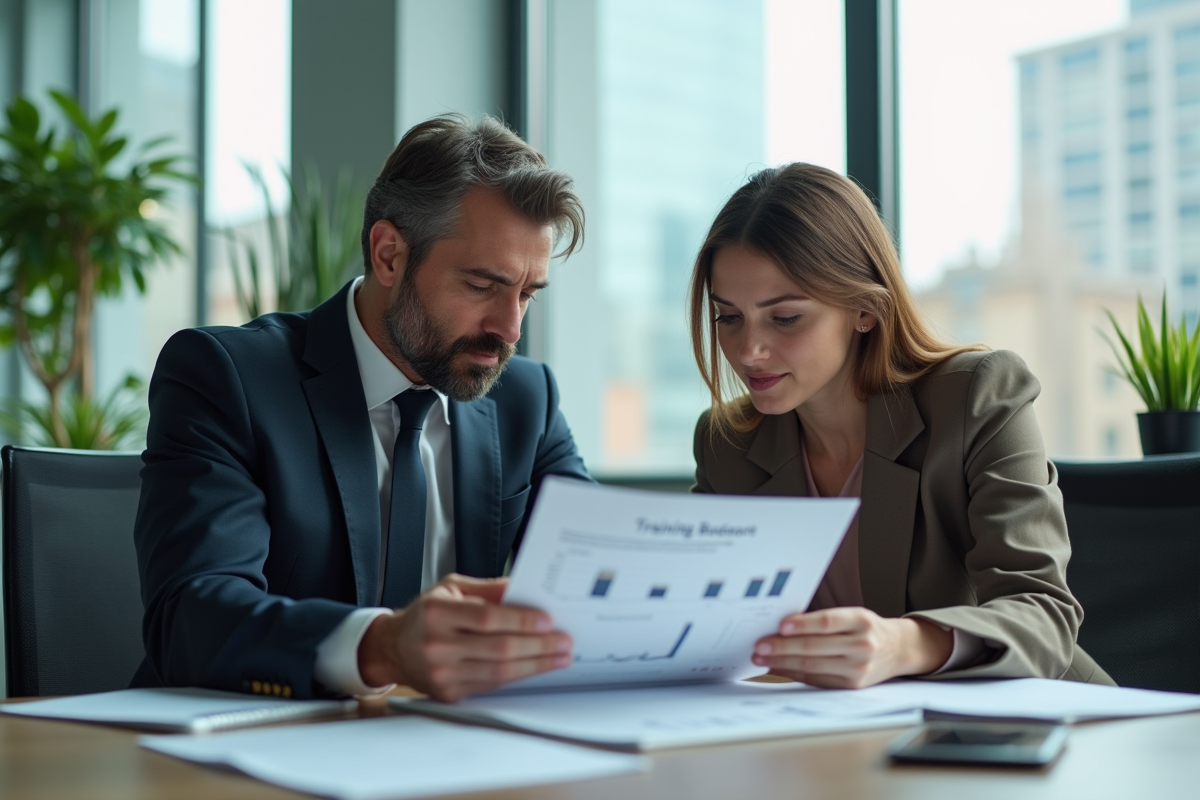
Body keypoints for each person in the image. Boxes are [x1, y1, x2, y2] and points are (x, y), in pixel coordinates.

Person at [134, 115, 589, 703]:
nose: (509, 328)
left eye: (526, 294)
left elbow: (600, 576)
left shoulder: (526, 401)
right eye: (482, 286)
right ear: (389, 255)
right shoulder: (227, 377)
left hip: (450, 752)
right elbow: (190, 616)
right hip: (246, 751)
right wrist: (381, 646)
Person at [687, 163, 1114, 689]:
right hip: (838, 741)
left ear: (864, 309)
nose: (748, 350)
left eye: (786, 318)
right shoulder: (725, 445)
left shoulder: (978, 396)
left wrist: (901, 644)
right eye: (728, 317)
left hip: (1030, 729)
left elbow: (1044, 616)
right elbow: (703, 622)